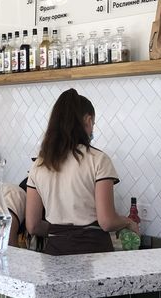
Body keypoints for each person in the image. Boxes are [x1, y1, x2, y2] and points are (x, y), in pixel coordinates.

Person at [25, 88, 139, 255]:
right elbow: (106, 221)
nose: (93, 128)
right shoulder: (98, 160)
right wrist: (128, 222)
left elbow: (33, 225)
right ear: (88, 120)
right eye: (93, 124)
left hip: (54, 256)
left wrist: (60, 232)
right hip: (93, 254)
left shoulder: (40, 165)